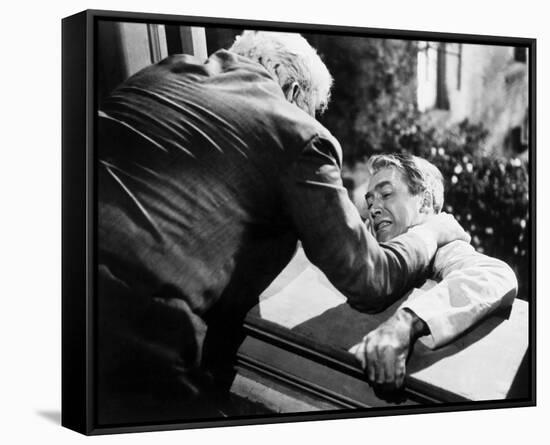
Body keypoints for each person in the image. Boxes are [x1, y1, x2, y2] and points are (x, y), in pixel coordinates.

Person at [96, 30, 468, 419]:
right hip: (127, 330)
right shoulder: (296, 132)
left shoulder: (159, 75)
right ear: (292, 91)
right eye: (310, 109)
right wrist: (433, 231)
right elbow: (369, 277)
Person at [351, 154, 518, 392]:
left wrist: (404, 324)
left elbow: (494, 275)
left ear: (425, 202)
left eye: (386, 194)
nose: (374, 209)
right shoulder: (375, 248)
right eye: (370, 203)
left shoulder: (443, 249)